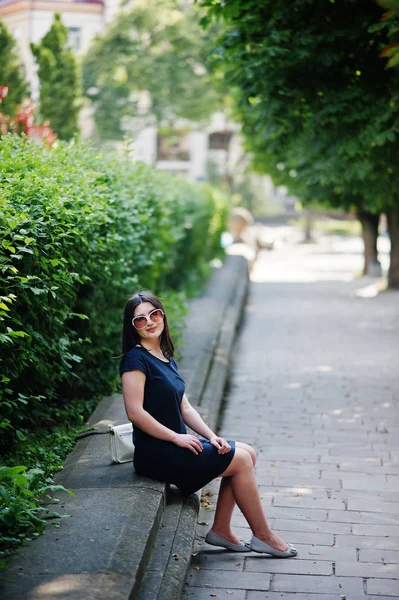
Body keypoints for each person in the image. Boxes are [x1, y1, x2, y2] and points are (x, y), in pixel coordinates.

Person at [120, 290, 298, 557]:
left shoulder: (163, 354)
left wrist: (212, 436)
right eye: (140, 320)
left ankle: (222, 530)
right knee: (241, 461)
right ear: (133, 327)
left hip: (175, 445)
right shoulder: (135, 359)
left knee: (246, 452)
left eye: (154, 314)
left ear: (163, 315)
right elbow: (135, 413)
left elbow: (185, 406)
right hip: (157, 454)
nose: (150, 322)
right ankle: (263, 536)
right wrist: (176, 438)